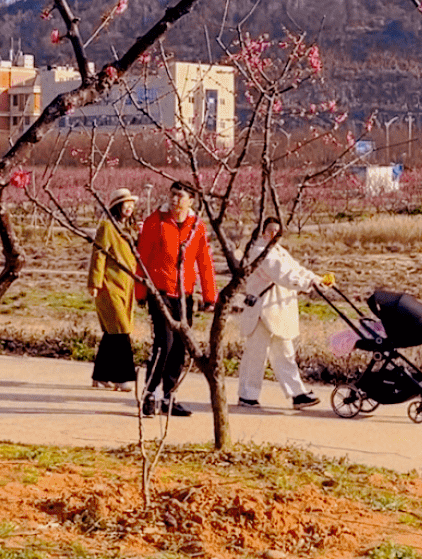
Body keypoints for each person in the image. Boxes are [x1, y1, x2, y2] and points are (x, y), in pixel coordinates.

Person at [136, 178, 216, 417]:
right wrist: (141, 292)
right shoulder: (156, 221)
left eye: (180, 196)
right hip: (160, 292)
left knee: (180, 348)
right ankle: (150, 395)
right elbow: (141, 258)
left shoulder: (196, 226)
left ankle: (169, 396)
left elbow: (204, 262)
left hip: (184, 294)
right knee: (164, 344)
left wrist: (210, 296)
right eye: (172, 194)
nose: (175, 200)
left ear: (191, 200)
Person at [237, 216, 330, 409]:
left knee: (285, 354)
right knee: (256, 355)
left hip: (277, 311)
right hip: (261, 311)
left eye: (277, 231)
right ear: (263, 231)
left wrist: (317, 279)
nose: (273, 234)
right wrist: (308, 283)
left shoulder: (279, 251)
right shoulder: (260, 252)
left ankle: (297, 394)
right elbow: (282, 275)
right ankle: (247, 395)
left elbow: (297, 269)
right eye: (270, 230)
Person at [87, 187, 139, 392]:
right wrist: (94, 283)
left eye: (132, 203)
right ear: (117, 205)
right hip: (109, 285)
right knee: (121, 330)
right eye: (126, 203)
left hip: (127, 286)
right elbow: (98, 254)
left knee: (112, 332)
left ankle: (100, 376)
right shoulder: (107, 227)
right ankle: (122, 377)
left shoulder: (131, 228)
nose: (130, 207)